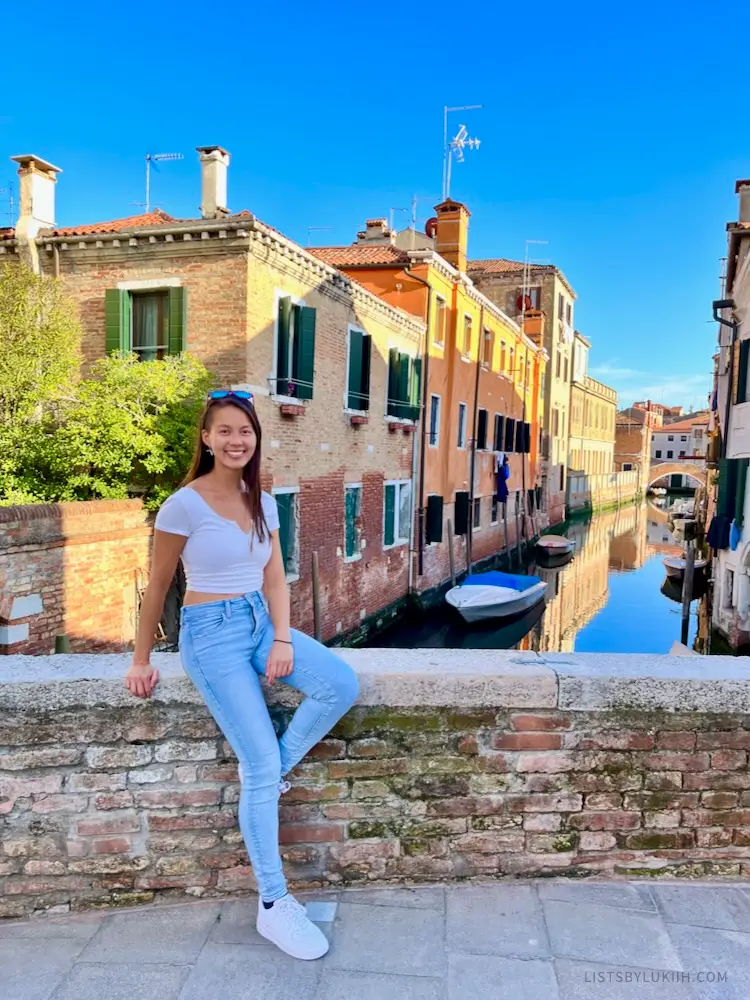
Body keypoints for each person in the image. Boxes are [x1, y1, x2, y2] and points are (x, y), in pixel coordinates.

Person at [125, 389, 359, 960]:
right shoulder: (183, 504)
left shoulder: (263, 500)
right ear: (206, 438)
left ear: (255, 439)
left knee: (340, 684)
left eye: (245, 432)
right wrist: (140, 658)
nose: (236, 440)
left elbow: (277, 577)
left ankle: (276, 769)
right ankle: (275, 906)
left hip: (258, 621)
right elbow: (159, 586)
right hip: (210, 637)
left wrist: (281, 636)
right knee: (256, 766)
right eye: (224, 430)